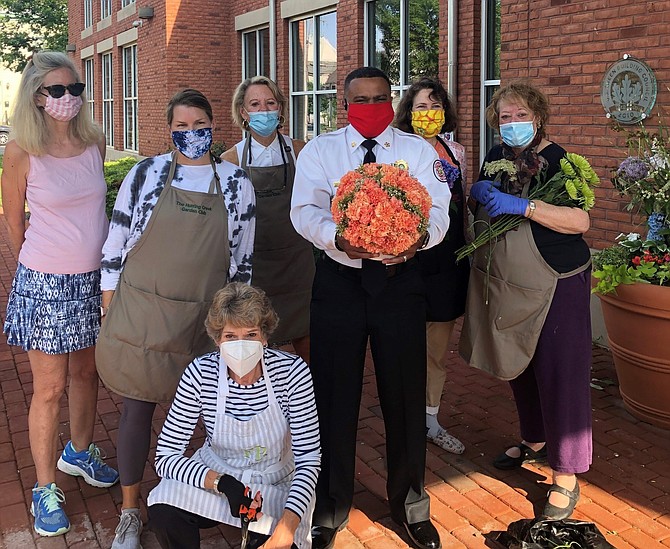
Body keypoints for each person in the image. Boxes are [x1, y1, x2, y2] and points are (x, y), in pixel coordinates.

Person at [290, 66, 451, 549]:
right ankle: (330, 505)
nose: (370, 107)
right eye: (360, 100)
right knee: (333, 397)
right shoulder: (320, 151)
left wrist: (419, 238)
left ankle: (411, 505)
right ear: (345, 104)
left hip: (400, 285)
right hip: (339, 284)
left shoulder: (418, 152)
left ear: (391, 100)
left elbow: (439, 211)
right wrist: (335, 238)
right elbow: (305, 211)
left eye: (379, 98)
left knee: (404, 394)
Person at [96, 89, 256, 549]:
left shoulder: (235, 182)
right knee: (138, 407)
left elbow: (242, 259)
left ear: (214, 125)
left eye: (199, 124)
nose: (191, 134)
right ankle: (130, 510)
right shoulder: (146, 174)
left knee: (209, 414)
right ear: (169, 130)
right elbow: (117, 237)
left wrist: (237, 320)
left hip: (205, 316)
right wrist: (110, 302)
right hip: (143, 309)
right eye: (181, 127)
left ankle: (197, 498)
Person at [460, 81, 592, 520]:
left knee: (560, 371)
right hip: (510, 281)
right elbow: (483, 198)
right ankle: (534, 438)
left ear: (538, 117)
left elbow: (580, 219)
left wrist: (525, 206)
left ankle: (567, 474)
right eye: (503, 116)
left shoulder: (560, 162)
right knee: (519, 361)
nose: (511, 123)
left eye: (520, 115)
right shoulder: (496, 157)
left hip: (557, 281)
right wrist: (476, 192)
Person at [1, 51, 119, 537]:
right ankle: (45, 487)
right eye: (56, 90)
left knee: (89, 372)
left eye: (74, 89)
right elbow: (13, 222)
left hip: (95, 281)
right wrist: (35, 267)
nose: (67, 98)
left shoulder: (95, 142)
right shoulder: (21, 150)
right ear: (36, 96)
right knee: (49, 390)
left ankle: (79, 452)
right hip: (46, 282)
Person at [146, 282, 320, 549]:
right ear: (217, 340)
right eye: (230, 336)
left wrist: (287, 527)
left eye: (250, 334)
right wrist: (223, 483)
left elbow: (309, 458)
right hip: (217, 473)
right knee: (163, 508)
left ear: (265, 336)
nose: (241, 345)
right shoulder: (200, 373)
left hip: (274, 480)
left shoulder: (293, 373)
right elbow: (166, 456)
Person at [394, 77, 469, 455]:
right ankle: (403, 417)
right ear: (409, 112)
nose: (429, 114)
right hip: (408, 258)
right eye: (421, 107)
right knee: (403, 343)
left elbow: (461, 204)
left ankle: (431, 418)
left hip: (449, 260)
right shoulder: (396, 150)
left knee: (438, 347)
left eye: (435, 106)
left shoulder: (455, 150)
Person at [222, 76, 314, 362]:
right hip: (255, 264)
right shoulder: (231, 160)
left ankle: (311, 396)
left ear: (280, 108)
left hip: (298, 262)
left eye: (270, 103)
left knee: (307, 332)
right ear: (243, 112)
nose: (264, 110)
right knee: (254, 335)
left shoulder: (301, 151)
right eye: (255, 104)